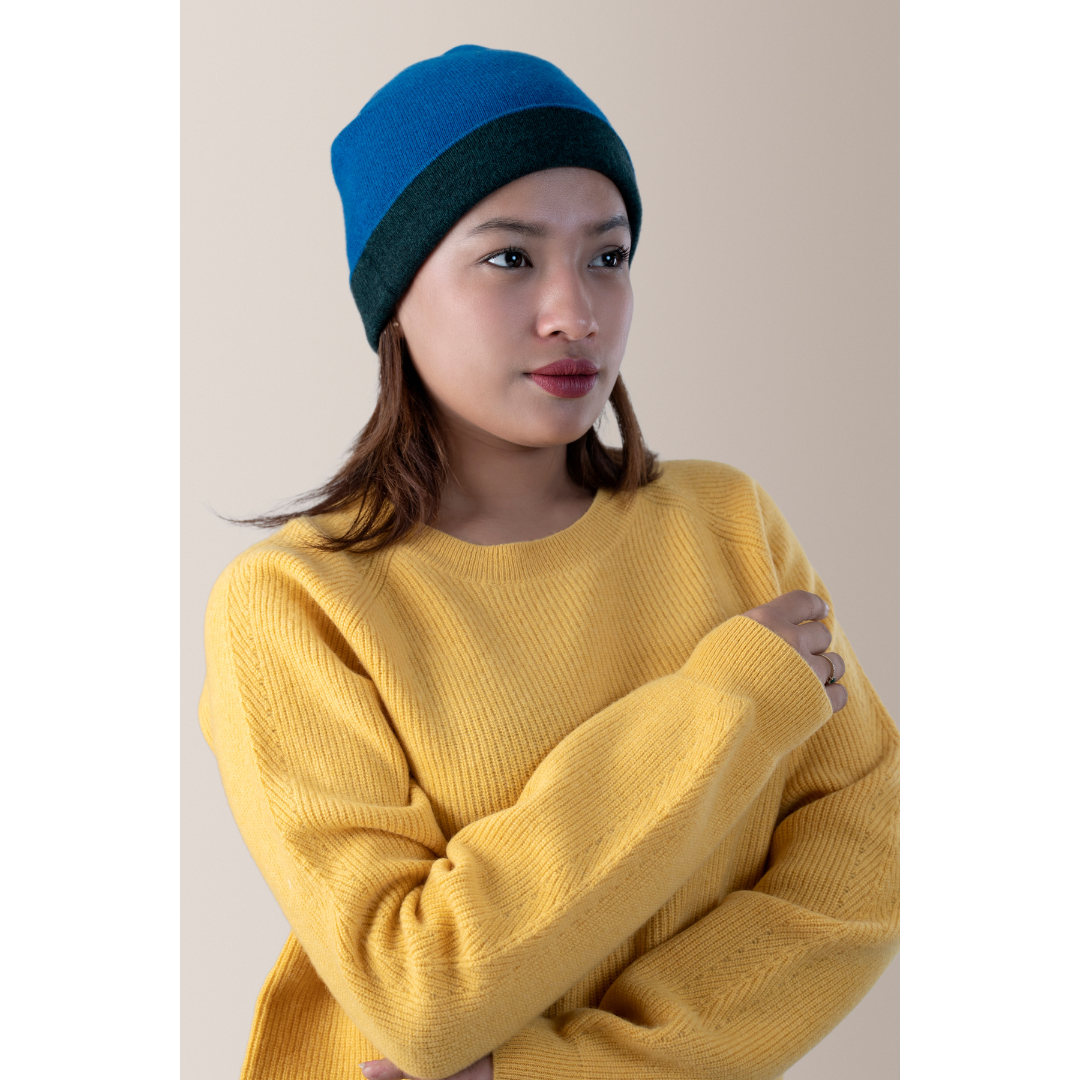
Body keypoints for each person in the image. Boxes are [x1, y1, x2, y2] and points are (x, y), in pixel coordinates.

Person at [200, 45, 899, 1080]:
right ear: (396, 295)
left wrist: (562, 1069)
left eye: (608, 256)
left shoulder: (728, 524)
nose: (576, 311)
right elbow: (419, 995)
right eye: (510, 259)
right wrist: (731, 703)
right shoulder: (296, 604)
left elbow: (869, 867)